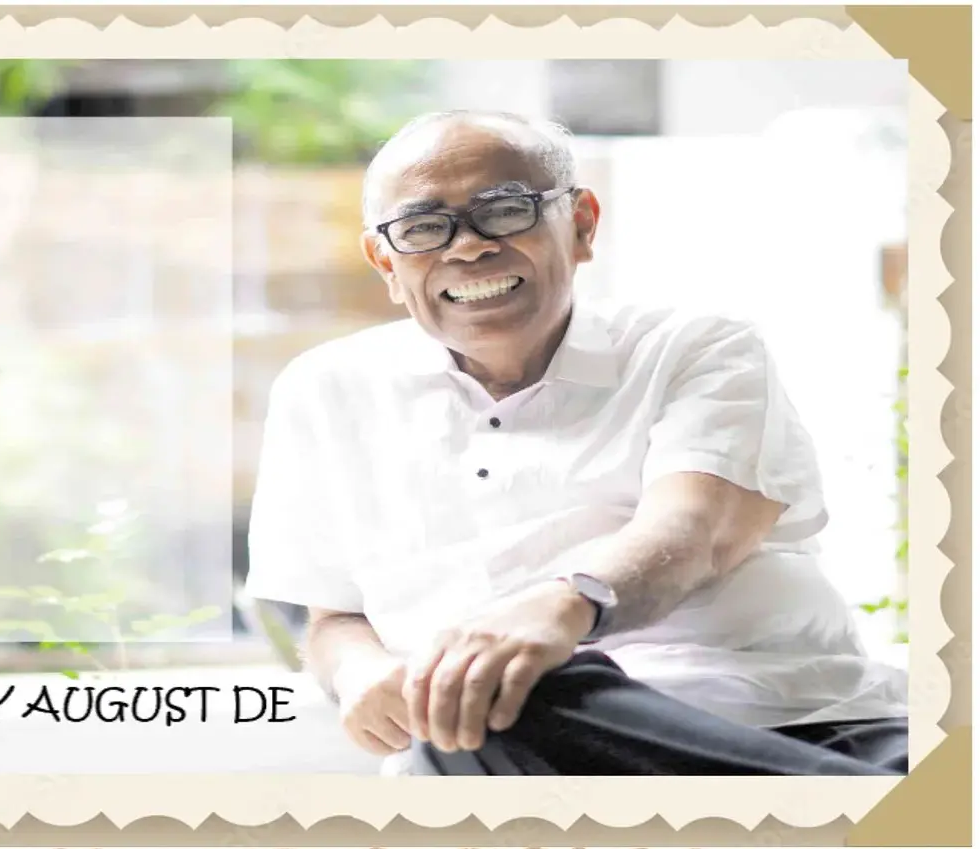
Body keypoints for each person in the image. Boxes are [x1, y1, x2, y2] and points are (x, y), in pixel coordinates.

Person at [244, 109, 909, 776]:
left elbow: (695, 530)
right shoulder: (324, 389)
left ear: (582, 224)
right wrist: (362, 674)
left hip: (800, 721)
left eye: (503, 211)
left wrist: (564, 606)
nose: (467, 247)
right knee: (492, 699)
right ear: (385, 261)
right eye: (421, 228)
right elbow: (330, 614)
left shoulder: (695, 346)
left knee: (499, 691)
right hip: (519, 736)